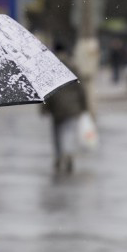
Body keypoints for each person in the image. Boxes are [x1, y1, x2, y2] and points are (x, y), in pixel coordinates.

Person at [43, 45, 88, 173]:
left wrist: (45, 108)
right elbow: (81, 89)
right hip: (72, 107)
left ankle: (58, 155)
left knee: (57, 134)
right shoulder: (73, 67)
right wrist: (84, 107)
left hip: (56, 108)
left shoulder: (51, 68)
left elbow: (46, 91)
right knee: (69, 132)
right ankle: (68, 153)